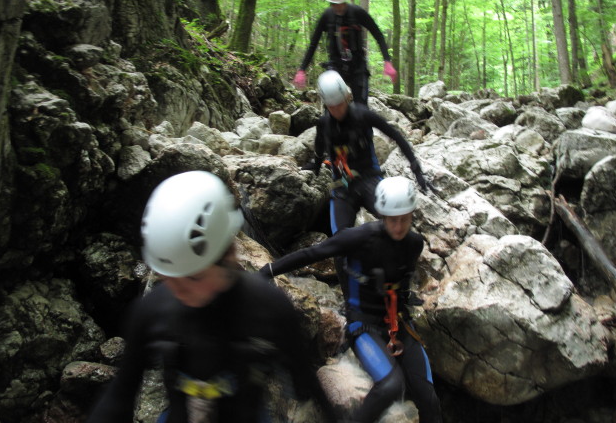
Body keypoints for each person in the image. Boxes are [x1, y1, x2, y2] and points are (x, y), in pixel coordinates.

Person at [86, 171, 339, 423]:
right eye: (168, 277)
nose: (178, 291)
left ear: (228, 254)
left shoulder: (270, 308)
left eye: (194, 277)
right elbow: (121, 394)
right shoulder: (152, 311)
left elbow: (306, 384)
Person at [259, 176, 443, 423]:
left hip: (398, 323)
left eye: (405, 219)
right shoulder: (360, 238)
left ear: (412, 215)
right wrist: (268, 270)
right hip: (363, 324)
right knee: (390, 387)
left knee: (428, 398)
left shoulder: (414, 243)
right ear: (382, 216)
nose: (399, 227)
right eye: (392, 220)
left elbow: (402, 287)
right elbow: (313, 253)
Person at [304, 69, 431, 236]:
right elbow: (319, 146)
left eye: (340, 104)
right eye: (332, 107)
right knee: (340, 241)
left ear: (346, 97)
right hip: (343, 184)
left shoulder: (362, 115)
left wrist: (416, 169)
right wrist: (317, 165)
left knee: (395, 222)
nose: (337, 110)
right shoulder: (324, 124)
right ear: (326, 105)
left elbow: (396, 137)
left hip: (369, 178)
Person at [293, 0, 397, 105]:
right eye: (333, 4)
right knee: (332, 107)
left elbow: (378, 35)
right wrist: (302, 70)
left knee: (361, 110)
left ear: (345, 0)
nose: (336, 7)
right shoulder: (327, 16)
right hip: (335, 65)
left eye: (339, 3)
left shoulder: (357, 13)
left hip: (357, 65)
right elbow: (313, 44)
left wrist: (387, 61)